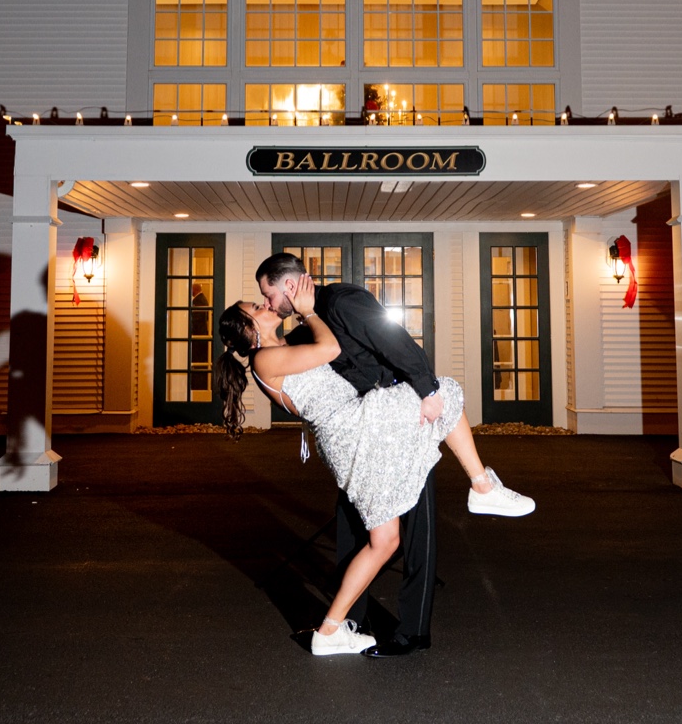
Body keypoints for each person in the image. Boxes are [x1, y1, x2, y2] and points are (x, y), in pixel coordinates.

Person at [220, 266, 533, 657]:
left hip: (357, 428)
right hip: (354, 430)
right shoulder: (265, 360)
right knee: (442, 392)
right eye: (257, 305)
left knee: (385, 541)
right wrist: (308, 311)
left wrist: (307, 314)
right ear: (250, 328)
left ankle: (330, 631)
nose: (264, 304)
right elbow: (331, 350)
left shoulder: (284, 346)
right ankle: (482, 486)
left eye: (263, 297)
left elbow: (351, 351)